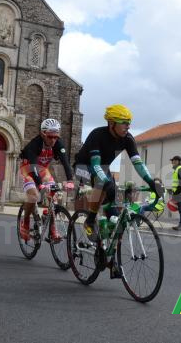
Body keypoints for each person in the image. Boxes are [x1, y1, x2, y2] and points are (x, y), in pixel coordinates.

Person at [74, 104, 159, 278]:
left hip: (102, 169)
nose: (128, 126)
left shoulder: (127, 138)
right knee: (102, 184)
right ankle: (89, 221)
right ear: (111, 123)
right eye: (124, 123)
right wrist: (106, 183)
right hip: (83, 166)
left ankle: (112, 258)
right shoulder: (97, 135)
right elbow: (95, 166)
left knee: (117, 212)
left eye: (129, 123)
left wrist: (151, 181)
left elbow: (138, 163)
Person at [18, 118, 74, 242]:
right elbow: (32, 167)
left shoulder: (58, 143)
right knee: (33, 195)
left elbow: (65, 162)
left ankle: (52, 227)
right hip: (28, 169)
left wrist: (70, 180)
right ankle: (25, 221)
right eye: (50, 137)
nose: (53, 140)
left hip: (43, 170)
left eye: (56, 136)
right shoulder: (34, 144)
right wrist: (40, 185)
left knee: (53, 196)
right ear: (43, 134)